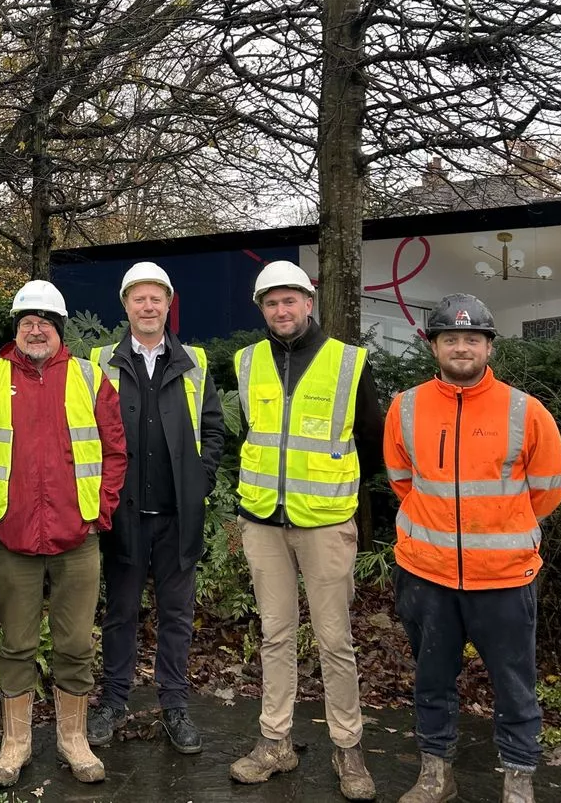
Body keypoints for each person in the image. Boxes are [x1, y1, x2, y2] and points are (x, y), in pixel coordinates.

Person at [385, 294, 561, 803]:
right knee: (431, 680)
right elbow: (403, 480)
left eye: (472, 339)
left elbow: (548, 490)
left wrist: (498, 529)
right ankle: (436, 774)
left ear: (488, 347)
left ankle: (518, 778)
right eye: (450, 338)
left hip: (505, 578)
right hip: (427, 575)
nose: (460, 347)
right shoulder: (406, 407)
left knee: (515, 685)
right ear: (434, 347)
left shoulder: (525, 411)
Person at [229, 260, 382, 801]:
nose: (281, 310)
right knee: (275, 636)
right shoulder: (246, 362)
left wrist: (352, 514)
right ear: (261, 308)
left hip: (325, 524)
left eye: (289, 300)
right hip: (264, 521)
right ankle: (276, 742)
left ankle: (348, 747)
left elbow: (372, 440)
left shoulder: (347, 362)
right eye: (271, 302)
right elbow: (247, 435)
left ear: (309, 302)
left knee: (335, 641)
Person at [0, 280, 127, 787]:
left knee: (76, 642)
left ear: (59, 330)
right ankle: (14, 744)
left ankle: (72, 740)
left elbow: (113, 450)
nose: (35, 330)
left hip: (76, 535)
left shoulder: (88, 377)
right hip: (12, 535)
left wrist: (99, 513)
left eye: (45, 323)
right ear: (16, 330)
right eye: (26, 323)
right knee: (15, 643)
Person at [87, 262, 225, 753]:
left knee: (176, 615)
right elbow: (86, 433)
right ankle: (113, 702)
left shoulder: (195, 362)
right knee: (120, 614)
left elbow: (213, 429)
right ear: (125, 305)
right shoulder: (100, 361)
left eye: (156, 299)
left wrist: (199, 481)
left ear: (169, 304)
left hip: (176, 516)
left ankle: (174, 706)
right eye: (138, 299)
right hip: (122, 514)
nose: (147, 307)